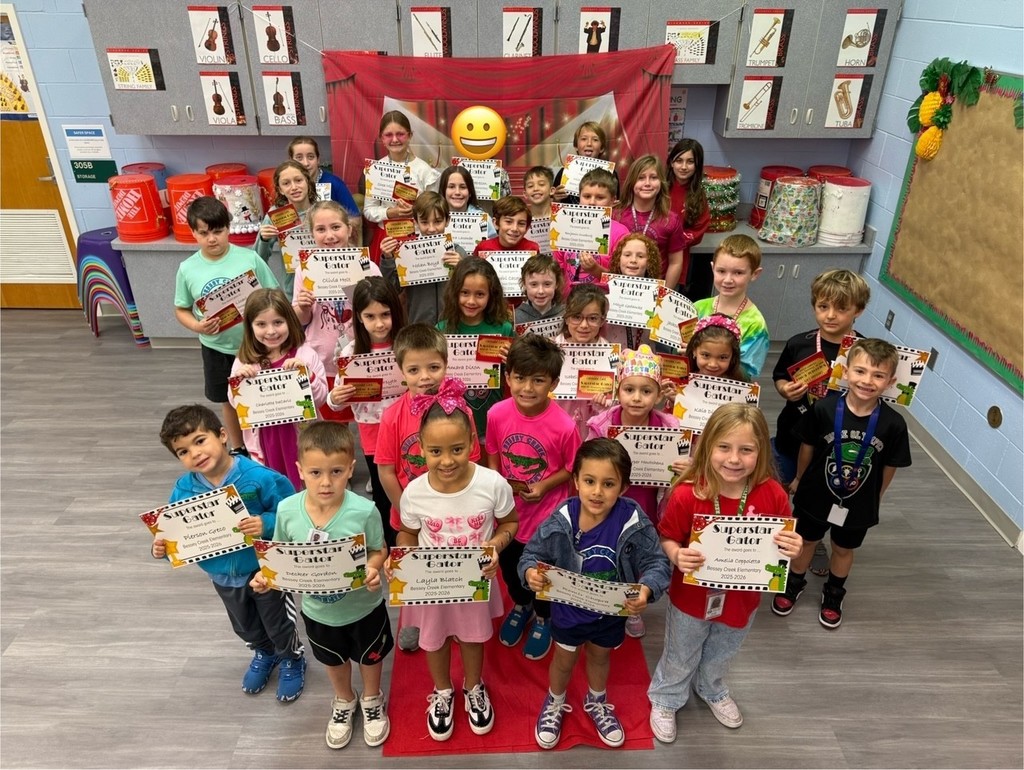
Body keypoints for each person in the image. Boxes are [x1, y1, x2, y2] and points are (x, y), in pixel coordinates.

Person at [648, 404, 803, 743]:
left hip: (742, 599)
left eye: (746, 450)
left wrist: (793, 546)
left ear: (761, 451)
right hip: (691, 598)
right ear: (707, 448)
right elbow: (667, 536)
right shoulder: (687, 494)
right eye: (724, 447)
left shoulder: (773, 494)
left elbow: (782, 540)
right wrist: (676, 553)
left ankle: (711, 687)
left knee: (724, 650)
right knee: (681, 651)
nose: (734, 459)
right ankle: (666, 697)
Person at [520, 438, 672, 750]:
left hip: (610, 614)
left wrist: (646, 589)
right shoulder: (562, 517)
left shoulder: (632, 519)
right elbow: (530, 555)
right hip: (568, 612)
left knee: (600, 657)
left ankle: (597, 700)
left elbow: (657, 561)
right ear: (575, 481)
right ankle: (555, 701)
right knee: (563, 659)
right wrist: (530, 574)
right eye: (589, 481)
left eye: (608, 483)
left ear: (624, 487)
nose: (597, 492)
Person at [251, 422, 393, 749]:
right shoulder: (287, 511)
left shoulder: (365, 510)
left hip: (363, 607)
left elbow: (378, 549)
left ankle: (372, 698)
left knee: (371, 657)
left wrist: (373, 569)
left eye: (336, 471)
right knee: (332, 658)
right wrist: (264, 577)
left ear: (351, 469)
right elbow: (278, 556)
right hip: (317, 611)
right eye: (315, 473)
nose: (326, 482)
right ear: (300, 470)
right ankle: (344, 699)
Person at [154, 405, 304, 702]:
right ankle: (264, 652)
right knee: (244, 625)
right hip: (221, 574)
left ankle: (291, 657)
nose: (194, 453)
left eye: (199, 441)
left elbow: (294, 513)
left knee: (278, 622)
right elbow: (173, 528)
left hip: (264, 570)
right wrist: (161, 545)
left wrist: (267, 522)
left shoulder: (259, 477)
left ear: (222, 435)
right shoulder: (183, 488)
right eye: (183, 451)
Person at [396, 384, 519, 740]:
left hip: (475, 580)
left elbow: (510, 522)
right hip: (431, 586)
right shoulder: (415, 492)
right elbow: (406, 532)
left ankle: (474, 686)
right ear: (421, 449)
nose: (446, 460)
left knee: (472, 637)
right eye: (435, 451)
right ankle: (442, 691)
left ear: (472, 445)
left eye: (457, 449)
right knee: (433, 640)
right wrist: (404, 561)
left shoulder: (492, 484)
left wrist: (495, 544)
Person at [772, 339, 911, 628]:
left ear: (891, 381)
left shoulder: (894, 424)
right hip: (814, 494)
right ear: (845, 372)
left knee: (844, 548)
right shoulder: (823, 409)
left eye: (878, 375)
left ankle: (834, 592)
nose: (867, 381)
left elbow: (889, 465)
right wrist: (798, 477)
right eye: (860, 371)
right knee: (806, 540)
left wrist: (877, 496)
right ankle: (793, 582)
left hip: (858, 502)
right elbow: (807, 448)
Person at [376, 325, 482, 651]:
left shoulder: (461, 410)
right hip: (411, 517)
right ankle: (415, 620)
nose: (425, 376)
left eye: (433, 367)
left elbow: (473, 460)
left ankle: (461, 618)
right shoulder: (392, 416)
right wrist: (408, 511)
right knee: (416, 569)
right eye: (414, 369)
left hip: (454, 512)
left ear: (446, 366)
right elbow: (386, 470)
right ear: (401, 371)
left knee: (453, 566)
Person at [486, 335, 581, 660]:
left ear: (553, 382)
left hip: (547, 520)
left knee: (544, 576)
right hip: (510, 516)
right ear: (508, 376)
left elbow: (572, 468)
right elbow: (494, 452)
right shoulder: (497, 413)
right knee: (512, 573)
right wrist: (497, 484)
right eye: (520, 378)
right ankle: (521, 605)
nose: (527, 387)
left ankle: (543, 616)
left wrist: (544, 486)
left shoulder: (564, 426)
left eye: (538, 380)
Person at [772, 269, 869, 576]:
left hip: (833, 448)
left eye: (841, 309)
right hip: (791, 435)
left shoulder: (864, 353)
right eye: (823, 306)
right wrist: (786, 389)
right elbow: (779, 376)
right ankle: (780, 539)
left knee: (822, 496)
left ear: (858, 311)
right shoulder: (799, 343)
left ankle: (814, 541)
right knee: (781, 488)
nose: (830, 315)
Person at [174, 196, 279, 457]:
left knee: (263, 393)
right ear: (194, 233)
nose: (212, 239)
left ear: (228, 228)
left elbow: (273, 294)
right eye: (204, 233)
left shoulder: (250, 259)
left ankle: (266, 442)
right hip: (217, 347)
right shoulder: (187, 269)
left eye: (218, 231)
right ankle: (239, 447)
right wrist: (198, 326)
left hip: (256, 345)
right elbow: (181, 309)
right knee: (227, 400)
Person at [326, 276, 408, 546]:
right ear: (359, 318)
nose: (380, 323)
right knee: (383, 490)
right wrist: (336, 398)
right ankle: (389, 541)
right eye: (370, 316)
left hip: (407, 427)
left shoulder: (405, 346)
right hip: (372, 432)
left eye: (385, 314)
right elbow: (336, 401)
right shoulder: (351, 352)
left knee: (409, 480)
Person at [228, 288, 327, 488]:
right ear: (250, 326)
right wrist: (240, 384)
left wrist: (308, 376)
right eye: (261, 324)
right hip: (265, 439)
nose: (271, 331)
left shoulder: (305, 354)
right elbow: (236, 404)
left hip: (301, 436)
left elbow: (322, 397)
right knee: (272, 484)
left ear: (290, 321)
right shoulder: (244, 361)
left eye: (278, 322)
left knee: (306, 480)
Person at [291, 200, 365, 419]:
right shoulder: (304, 271)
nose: (329, 235)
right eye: (321, 229)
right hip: (323, 358)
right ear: (312, 233)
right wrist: (303, 306)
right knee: (334, 421)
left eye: (336, 227)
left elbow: (378, 310)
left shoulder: (365, 265)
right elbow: (301, 318)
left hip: (359, 355)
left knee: (367, 417)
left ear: (349, 229)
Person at [436, 259, 514, 452]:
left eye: (480, 294)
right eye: (465, 293)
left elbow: (515, 374)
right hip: (453, 418)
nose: (471, 301)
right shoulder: (442, 329)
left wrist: (512, 360)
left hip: (491, 418)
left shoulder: (503, 329)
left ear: (491, 295)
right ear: (455, 293)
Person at [379, 191, 468, 326]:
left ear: (447, 221)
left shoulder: (458, 252)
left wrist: (462, 268)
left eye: (438, 221)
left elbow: (471, 288)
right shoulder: (405, 253)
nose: (431, 228)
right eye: (425, 222)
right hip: (419, 326)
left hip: (453, 327)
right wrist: (388, 258)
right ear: (416, 222)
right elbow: (392, 289)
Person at [363, 110, 441, 262]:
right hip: (386, 240)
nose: (395, 139)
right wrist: (392, 212)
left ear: (410, 135)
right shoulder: (375, 170)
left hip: (418, 238)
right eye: (388, 135)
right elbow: (368, 210)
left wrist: (415, 210)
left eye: (400, 134)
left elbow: (434, 210)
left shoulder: (424, 170)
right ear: (382, 138)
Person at [694, 234, 769, 379]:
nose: (728, 280)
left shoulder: (755, 324)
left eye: (738, 273)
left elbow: (746, 375)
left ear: (754, 274)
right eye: (721, 271)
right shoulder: (697, 308)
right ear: (712, 268)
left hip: (726, 396)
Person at [614, 155, 685, 292]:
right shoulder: (616, 215)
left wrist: (663, 294)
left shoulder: (670, 220)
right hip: (619, 289)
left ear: (661, 183)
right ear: (632, 182)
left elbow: (676, 262)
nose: (647, 183)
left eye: (653, 177)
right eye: (641, 178)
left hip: (655, 290)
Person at [553, 168, 629, 293]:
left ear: (612, 200)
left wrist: (595, 269)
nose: (592, 203)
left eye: (600, 197)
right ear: (579, 197)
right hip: (568, 304)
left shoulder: (620, 233)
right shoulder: (564, 226)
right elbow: (558, 270)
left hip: (603, 306)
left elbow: (623, 280)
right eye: (587, 196)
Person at [554, 283, 611, 438]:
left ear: (602, 320)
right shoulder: (551, 349)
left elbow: (614, 405)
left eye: (593, 318)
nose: (584, 325)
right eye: (577, 317)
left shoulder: (610, 355)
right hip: (557, 426)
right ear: (566, 318)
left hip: (592, 429)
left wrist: (603, 405)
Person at [255, 160, 318, 296]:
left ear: (307, 181)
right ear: (280, 189)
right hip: (294, 291)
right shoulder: (276, 216)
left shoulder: (324, 210)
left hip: (326, 285)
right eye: (286, 183)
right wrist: (263, 240)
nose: (294, 187)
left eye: (298, 180)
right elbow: (259, 260)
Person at [666, 139, 711, 301]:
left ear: (697, 166)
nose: (684, 167)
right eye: (679, 161)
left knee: (666, 304)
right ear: (671, 162)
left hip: (676, 259)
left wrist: (675, 241)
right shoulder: (660, 187)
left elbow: (699, 227)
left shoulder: (698, 196)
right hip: (651, 255)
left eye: (690, 162)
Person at [603, 232, 662, 350]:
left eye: (640, 256)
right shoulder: (605, 290)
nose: (633, 260)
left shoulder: (659, 294)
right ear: (618, 258)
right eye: (627, 255)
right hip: (611, 355)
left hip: (645, 359)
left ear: (649, 262)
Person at [287, 135, 360, 223]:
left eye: (310, 157)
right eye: (299, 158)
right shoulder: (285, 185)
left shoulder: (334, 183)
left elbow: (355, 218)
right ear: (291, 160)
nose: (305, 163)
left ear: (318, 159)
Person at [551, 121, 611, 205]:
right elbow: (554, 208)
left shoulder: (610, 174)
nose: (589, 143)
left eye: (595, 140)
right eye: (584, 139)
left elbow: (615, 203)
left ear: (601, 148)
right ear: (576, 146)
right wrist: (556, 199)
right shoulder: (563, 173)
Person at [438, 164, 497, 239]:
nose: (457, 192)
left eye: (463, 187)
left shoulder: (483, 219)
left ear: (470, 192)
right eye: (451, 187)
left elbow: (492, 246)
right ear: (443, 190)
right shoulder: (434, 217)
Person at [686, 314, 748, 382]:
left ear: (732, 356)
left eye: (722, 357)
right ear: (694, 351)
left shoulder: (740, 383)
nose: (713, 364)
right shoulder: (681, 379)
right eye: (706, 355)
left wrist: (750, 392)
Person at [472, 195, 540, 255]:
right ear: (496, 223)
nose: (514, 228)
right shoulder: (483, 248)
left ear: (527, 228)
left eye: (521, 224)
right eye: (509, 222)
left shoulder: (532, 249)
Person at [514, 254, 566, 324]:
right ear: (524, 284)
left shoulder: (566, 314)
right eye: (534, 284)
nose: (541, 291)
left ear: (556, 283)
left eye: (547, 284)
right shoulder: (516, 318)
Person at [523, 165, 554, 248]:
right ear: (525, 194)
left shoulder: (561, 218)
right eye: (530, 186)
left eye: (541, 184)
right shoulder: (522, 222)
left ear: (551, 191)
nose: (536, 189)